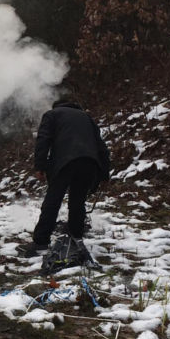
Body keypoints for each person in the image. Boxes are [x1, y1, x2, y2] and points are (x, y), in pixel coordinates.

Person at [23, 99, 110, 258]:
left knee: (53, 201)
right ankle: (75, 237)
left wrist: (40, 166)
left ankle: (40, 242)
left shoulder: (52, 114)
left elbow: (43, 140)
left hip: (64, 162)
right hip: (89, 162)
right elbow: (101, 146)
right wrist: (104, 174)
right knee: (78, 202)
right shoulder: (87, 118)